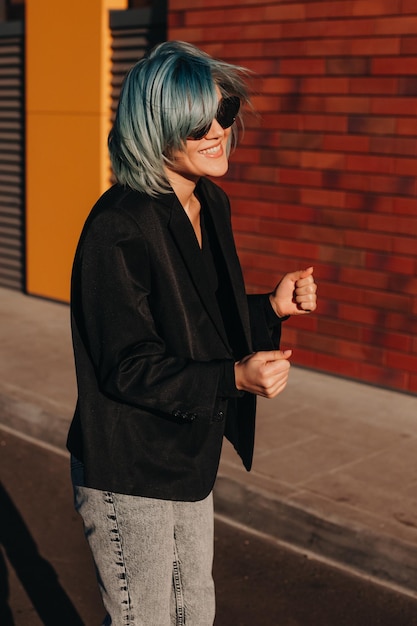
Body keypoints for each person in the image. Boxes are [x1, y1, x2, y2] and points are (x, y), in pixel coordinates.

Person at [67, 40, 317, 626]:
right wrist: (233, 377)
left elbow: (197, 320)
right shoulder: (118, 227)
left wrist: (270, 310)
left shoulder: (210, 201)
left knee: (193, 617)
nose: (215, 133)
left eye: (223, 114)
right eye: (193, 123)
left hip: (187, 457)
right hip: (130, 470)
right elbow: (127, 364)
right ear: (154, 129)